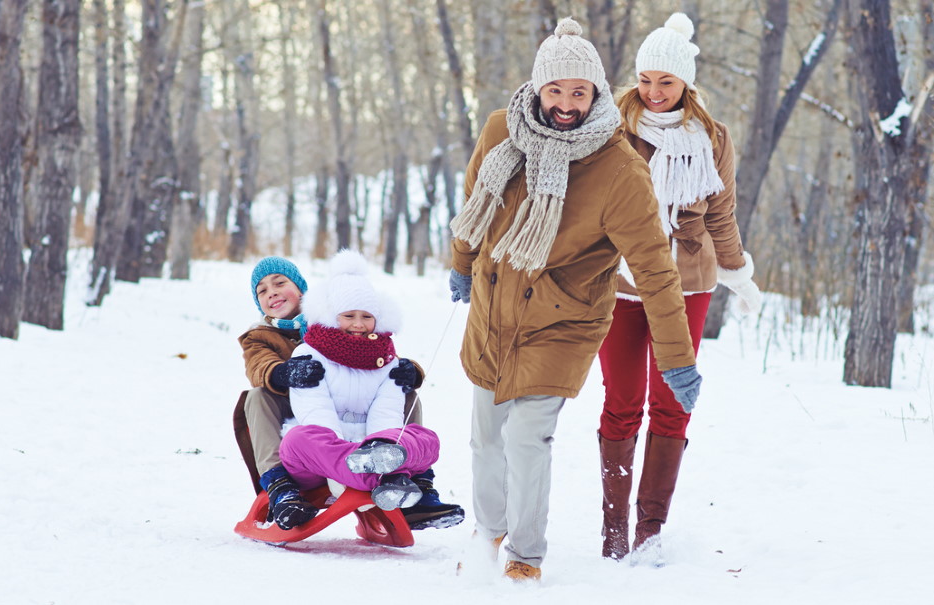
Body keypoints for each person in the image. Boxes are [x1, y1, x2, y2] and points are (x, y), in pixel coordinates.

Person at [448, 17, 702, 583]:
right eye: (556, 90)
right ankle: (488, 533)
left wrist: (676, 358)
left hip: (563, 319)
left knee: (526, 437)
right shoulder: (501, 131)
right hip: (494, 307)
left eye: (579, 92)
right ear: (538, 87)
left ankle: (524, 556)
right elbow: (474, 203)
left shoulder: (619, 169)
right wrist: (462, 265)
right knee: (486, 436)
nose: (566, 104)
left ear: (596, 93)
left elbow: (655, 270)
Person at [595, 12, 762, 561]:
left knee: (673, 402)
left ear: (685, 82)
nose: (653, 92)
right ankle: (614, 530)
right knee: (622, 400)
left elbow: (721, 216)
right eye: (645, 79)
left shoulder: (713, 138)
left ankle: (650, 530)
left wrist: (738, 273)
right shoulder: (614, 129)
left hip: (689, 283)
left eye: (665, 81)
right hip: (623, 284)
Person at [237, 256, 460, 530]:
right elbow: (259, 366)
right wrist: (281, 373)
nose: (271, 292)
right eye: (262, 290)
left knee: (406, 393)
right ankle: (280, 486)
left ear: (301, 288)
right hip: (299, 421)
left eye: (279, 283)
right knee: (257, 397)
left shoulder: (340, 313)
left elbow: (379, 360)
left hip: (361, 419)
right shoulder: (259, 336)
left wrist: (411, 371)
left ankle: (417, 483)